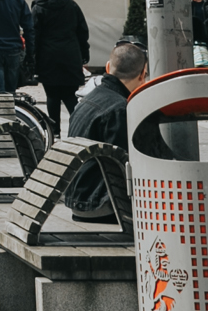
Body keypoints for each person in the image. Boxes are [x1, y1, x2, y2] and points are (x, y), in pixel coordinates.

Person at [63, 40, 149, 223]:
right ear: (143, 74)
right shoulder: (120, 109)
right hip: (103, 205)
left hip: (79, 201)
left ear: (108, 67)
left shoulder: (88, 100)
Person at [30, 0, 92, 136]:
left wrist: (32, 59)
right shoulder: (71, 5)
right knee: (70, 95)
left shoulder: (38, 8)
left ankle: (55, 132)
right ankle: (81, 128)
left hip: (48, 57)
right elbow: (82, 32)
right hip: (70, 55)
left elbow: (34, 37)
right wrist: (84, 55)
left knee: (52, 96)